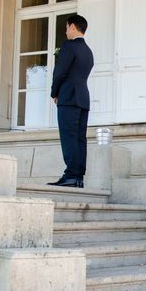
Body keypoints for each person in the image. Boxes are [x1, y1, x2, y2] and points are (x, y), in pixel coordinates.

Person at [48, 14, 94, 188]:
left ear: (73, 26)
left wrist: (54, 93)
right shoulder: (88, 51)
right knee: (80, 138)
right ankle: (78, 177)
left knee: (68, 137)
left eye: (67, 27)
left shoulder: (69, 46)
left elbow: (60, 72)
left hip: (68, 97)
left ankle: (71, 175)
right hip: (83, 98)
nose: (66, 31)